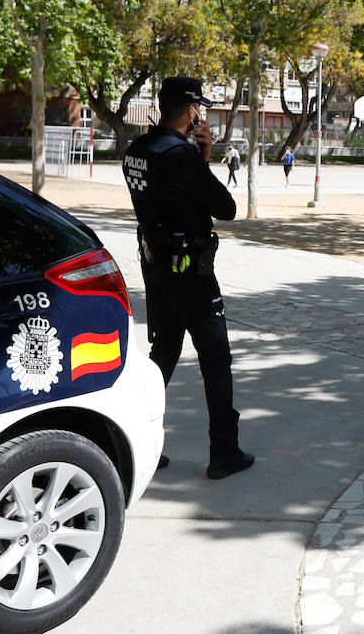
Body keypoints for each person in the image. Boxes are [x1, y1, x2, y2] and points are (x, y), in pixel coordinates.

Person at [122, 76, 254, 480]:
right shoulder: (181, 156)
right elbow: (226, 207)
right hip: (189, 268)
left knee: (164, 351)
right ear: (193, 109)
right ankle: (224, 451)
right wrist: (202, 157)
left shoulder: (137, 148)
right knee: (215, 358)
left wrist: (201, 156)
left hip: (156, 263)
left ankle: (134, 443)